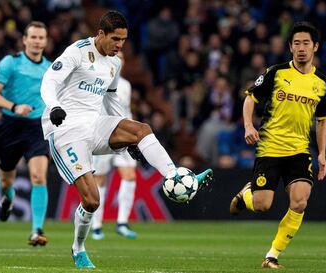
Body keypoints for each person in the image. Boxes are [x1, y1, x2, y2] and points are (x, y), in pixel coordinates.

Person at [40, 10, 213, 269]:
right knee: (92, 200)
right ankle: (78, 248)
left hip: (95, 124)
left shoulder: (115, 63)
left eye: (124, 40)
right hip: (65, 128)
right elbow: (49, 80)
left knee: (141, 129)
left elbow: (111, 101)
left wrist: (125, 135)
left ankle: (174, 175)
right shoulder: (77, 51)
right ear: (101, 34)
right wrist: (54, 106)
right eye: (115, 39)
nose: (120, 45)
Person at [229, 21, 326, 269]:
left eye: (306, 43)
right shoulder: (276, 72)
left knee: (300, 202)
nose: (301, 48)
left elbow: (322, 122)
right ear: (290, 47)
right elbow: (249, 98)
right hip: (270, 148)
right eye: (296, 43)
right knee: (263, 205)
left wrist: (322, 154)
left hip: (299, 150)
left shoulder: (322, 84)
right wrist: (248, 126)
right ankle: (246, 194)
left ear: (315, 47)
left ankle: (272, 255)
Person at [0, 21, 51, 246]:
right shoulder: (10, 63)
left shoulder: (51, 69)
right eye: (33, 37)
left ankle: (37, 230)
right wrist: (14, 106)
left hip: (36, 127)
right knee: (6, 180)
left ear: (46, 41)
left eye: (41, 37)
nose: (37, 41)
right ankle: (7, 198)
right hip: (10, 125)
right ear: (24, 39)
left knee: (38, 176)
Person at [91, 51, 138, 240]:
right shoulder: (97, 80)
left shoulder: (126, 85)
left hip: (125, 135)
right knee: (99, 180)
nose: (119, 60)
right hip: (103, 134)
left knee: (130, 176)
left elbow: (126, 111)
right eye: (115, 57)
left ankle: (122, 222)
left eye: (122, 57)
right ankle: (96, 226)